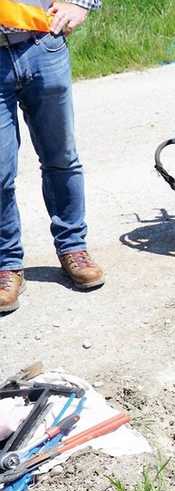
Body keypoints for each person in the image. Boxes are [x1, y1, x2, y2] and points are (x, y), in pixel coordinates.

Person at [0, 0, 103, 315]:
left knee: (62, 158)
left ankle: (73, 247)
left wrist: (81, 4)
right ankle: (7, 264)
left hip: (43, 46)